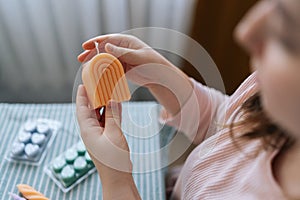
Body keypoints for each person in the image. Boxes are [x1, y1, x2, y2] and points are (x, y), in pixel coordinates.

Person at [76, 0, 300, 199]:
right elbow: (223, 125)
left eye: (288, 32)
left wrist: (117, 181)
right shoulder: (260, 91)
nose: (245, 32)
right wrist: (161, 77)